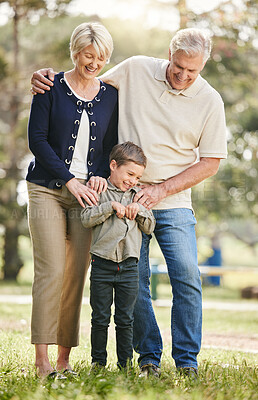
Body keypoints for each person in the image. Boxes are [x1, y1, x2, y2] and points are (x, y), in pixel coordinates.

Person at [30, 28, 227, 378]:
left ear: (203, 66)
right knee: (134, 278)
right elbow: (85, 88)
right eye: (177, 66)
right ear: (169, 53)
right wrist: (48, 78)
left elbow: (211, 161)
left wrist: (162, 190)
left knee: (186, 274)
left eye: (191, 72)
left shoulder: (210, 101)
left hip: (172, 199)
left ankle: (187, 362)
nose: (182, 76)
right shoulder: (136, 69)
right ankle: (148, 358)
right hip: (124, 196)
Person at [27, 22, 118, 378]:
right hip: (48, 188)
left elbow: (109, 144)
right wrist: (69, 180)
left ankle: (64, 360)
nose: (94, 63)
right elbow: (38, 141)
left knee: (76, 275)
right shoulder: (50, 87)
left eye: (101, 57)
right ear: (75, 52)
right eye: (88, 55)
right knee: (51, 271)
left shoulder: (110, 94)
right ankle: (42, 361)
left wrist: (98, 173)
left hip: (88, 196)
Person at [81, 142, 155, 370]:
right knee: (100, 318)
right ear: (113, 165)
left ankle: (125, 365)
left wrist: (140, 210)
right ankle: (98, 363)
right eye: (130, 173)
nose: (133, 180)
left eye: (138, 176)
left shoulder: (138, 196)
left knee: (125, 319)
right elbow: (86, 218)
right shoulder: (99, 191)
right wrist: (109, 207)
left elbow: (150, 227)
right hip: (102, 265)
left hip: (129, 267)